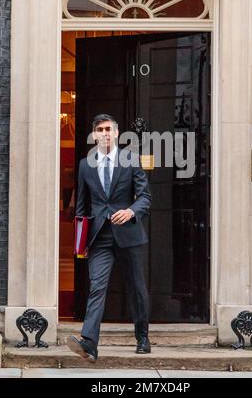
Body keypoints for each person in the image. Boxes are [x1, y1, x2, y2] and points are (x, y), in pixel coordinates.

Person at [67, 113, 151, 361]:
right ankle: (89, 343)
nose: (104, 133)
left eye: (108, 129)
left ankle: (143, 338)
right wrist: (80, 242)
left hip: (129, 235)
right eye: (100, 130)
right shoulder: (85, 165)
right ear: (94, 135)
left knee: (137, 289)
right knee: (97, 287)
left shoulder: (130, 159)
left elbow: (145, 197)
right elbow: (82, 207)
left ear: (116, 133)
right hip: (99, 238)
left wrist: (130, 211)